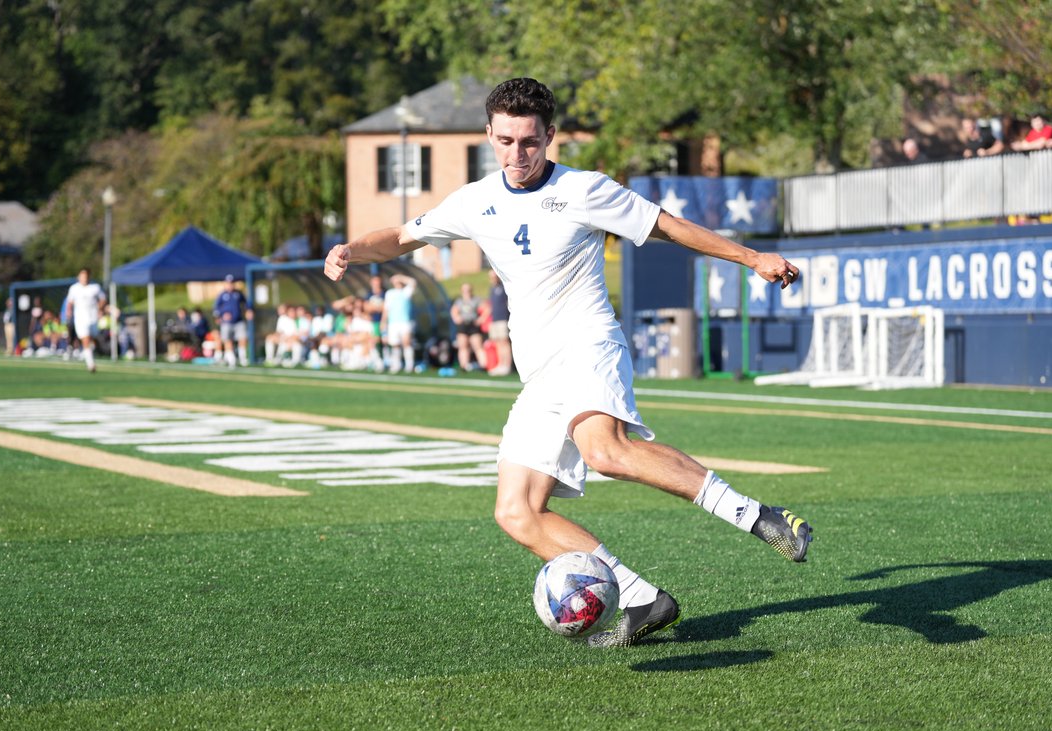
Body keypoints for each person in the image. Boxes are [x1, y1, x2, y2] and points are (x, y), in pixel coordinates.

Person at [324, 77, 813, 648]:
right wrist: (352, 249)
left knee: (605, 451)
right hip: (540, 375)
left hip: (587, 343)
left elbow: (670, 227)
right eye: (504, 141)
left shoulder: (586, 190)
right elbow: (402, 238)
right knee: (517, 512)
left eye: (529, 142)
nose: (516, 154)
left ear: (550, 136)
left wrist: (752, 257)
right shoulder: (475, 200)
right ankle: (640, 598)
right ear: (488, 135)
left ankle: (760, 516)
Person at [65, 268, 107, 372]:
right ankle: (90, 364)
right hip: (80, 318)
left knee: (93, 339)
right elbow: (70, 302)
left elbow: (103, 299)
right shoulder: (74, 288)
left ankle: (88, 352)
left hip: (93, 318)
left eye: (86, 276)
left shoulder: (95, 287)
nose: (84, 278)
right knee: (85, 339)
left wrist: (100, 308)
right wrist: (69, 311)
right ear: (78, 277)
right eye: (82, 276)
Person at [382, 274, 418, 374]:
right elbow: (386, 309)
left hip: (404, 322)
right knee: (395, 344)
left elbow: (413, 282)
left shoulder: (406, 292)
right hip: (393, 323)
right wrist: (383, 322)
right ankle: (396, 365)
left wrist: (401, 277)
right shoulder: (389, 293)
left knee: (406, 343)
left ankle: (409, 365)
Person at [212, 275, 248, 368]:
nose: (230, 285)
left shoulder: (238, 294)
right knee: (227, 340)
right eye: (228, 283)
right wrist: (220, 315)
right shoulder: (222, 295)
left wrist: (249, 310)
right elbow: (216, 308)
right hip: (227, 323)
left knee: (242, 338)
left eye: (231, 283)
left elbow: (246, 303)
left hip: (238, 321)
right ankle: (232, 360)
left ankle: (243, 359)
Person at [451, 282, 487, 371]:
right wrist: (456, 318)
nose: (466, 292)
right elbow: (453, 311)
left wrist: (481, 319)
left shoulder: (476, 300)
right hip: (463, 325)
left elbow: (487, 308)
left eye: (468, 290)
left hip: (473, 325)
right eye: (464, 290)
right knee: (463, 346)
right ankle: (464, 366)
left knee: (477, 346)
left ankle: (483, 366)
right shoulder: (459, 301)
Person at [486, 269, 512, 376]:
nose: (492, 279)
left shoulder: (504, 287)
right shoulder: (492, 289)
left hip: (503, 319)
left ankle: (507, 365)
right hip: (494, 319)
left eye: (494, 276)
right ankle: (500, 364)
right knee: (497, 343)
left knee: (504, 342)